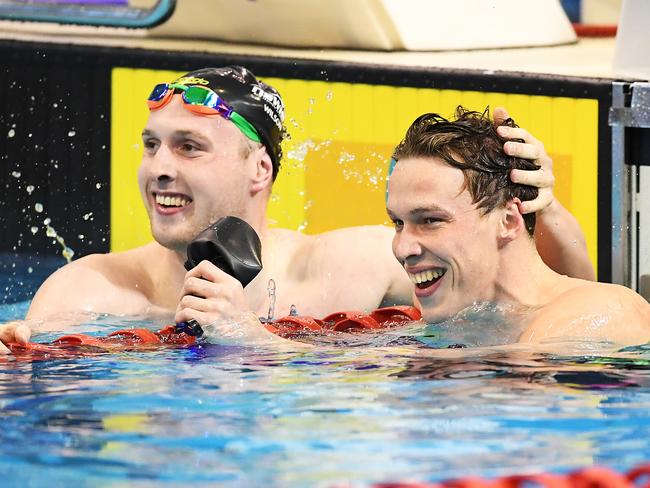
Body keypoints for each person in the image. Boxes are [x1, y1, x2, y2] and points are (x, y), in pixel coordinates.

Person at [0, 67, 592, 352]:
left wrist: (549, 209)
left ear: (260, 169)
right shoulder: (90, 290)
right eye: (151, 144)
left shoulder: (348, 265)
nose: (159, 167)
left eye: (189, 147)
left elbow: (551, 309)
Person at [385, 107, 649, 346]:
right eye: (398, 222)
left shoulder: (598, 310)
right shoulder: (456, 306)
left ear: (508, 221)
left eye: (431, 220)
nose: (402, 248)